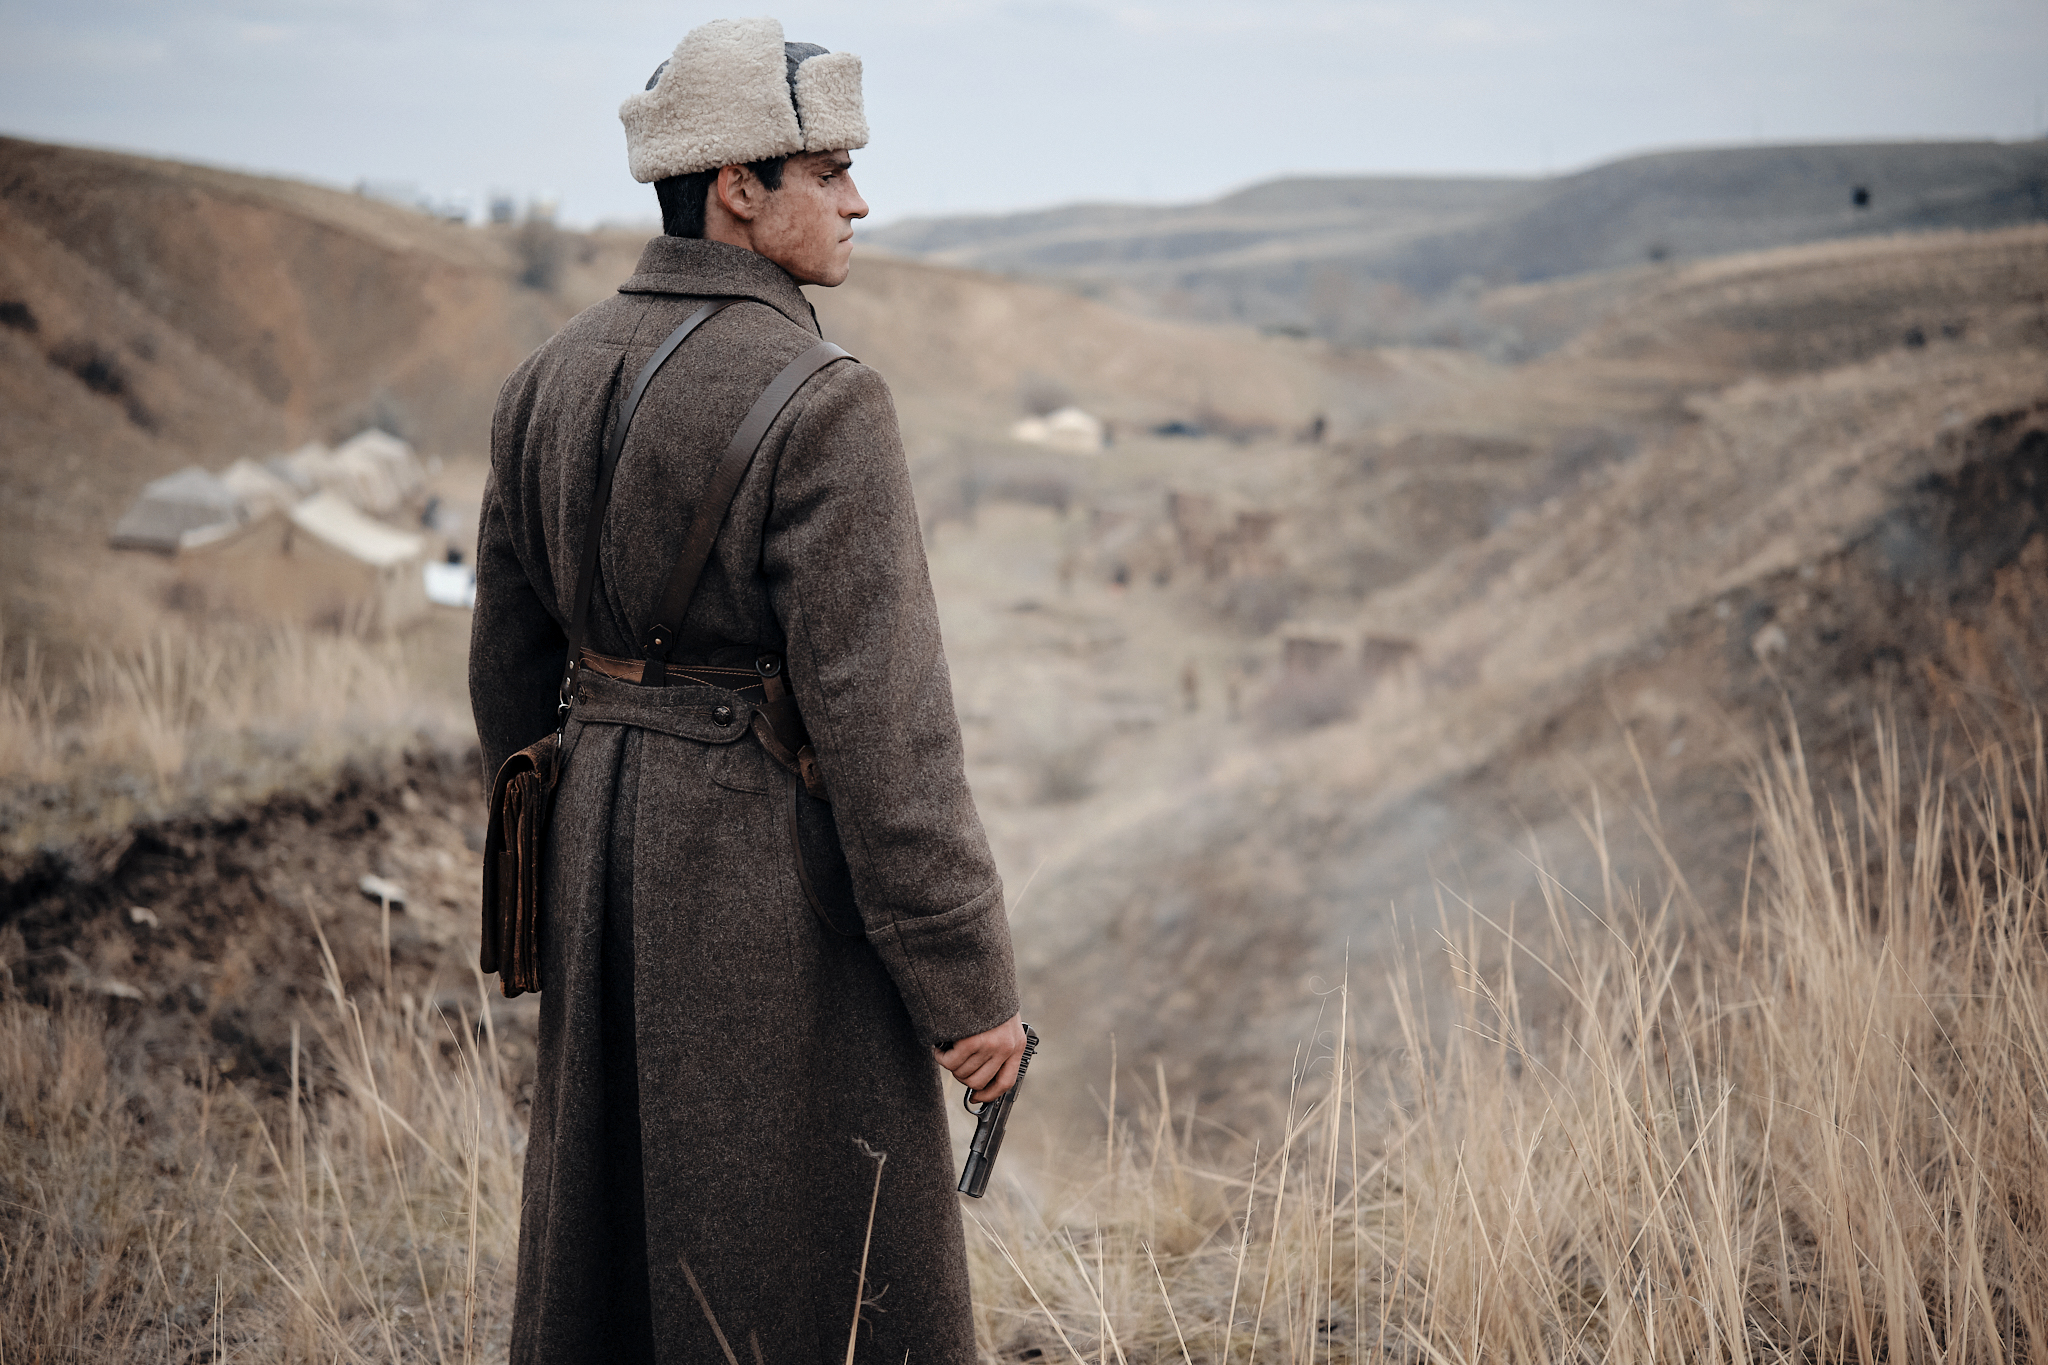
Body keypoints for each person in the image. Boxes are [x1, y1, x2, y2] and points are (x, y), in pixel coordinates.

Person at [468, 18, 1025, 1362]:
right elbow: (890, 740)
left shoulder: (542, 381)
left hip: (597, 865)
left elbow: (506, 680)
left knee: (613, 1262)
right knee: (801, 1280)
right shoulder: (828, 400)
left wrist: (582, 845)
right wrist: (969, 989)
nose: (858, 201)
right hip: (769, 896)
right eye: (827, 172)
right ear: (737, 187)